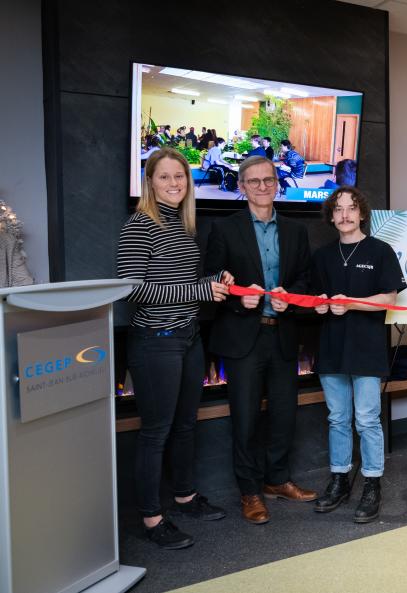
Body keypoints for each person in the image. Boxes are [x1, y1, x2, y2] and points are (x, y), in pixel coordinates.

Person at [116, 147, 231, 549]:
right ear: (150, 182)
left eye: (180, 177)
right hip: (155, 344)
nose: (173, 184)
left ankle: (184, 497)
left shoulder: (183, 225)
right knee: (156, 433)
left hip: (188, 338)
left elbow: (183, 281)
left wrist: (214, 278)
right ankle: (151, 518)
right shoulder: (140, 225)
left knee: (185, 426)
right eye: (164, 177)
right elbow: (132, 290)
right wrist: (199, 289)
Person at [205, 156, 318, 525]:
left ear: (277, 183)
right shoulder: (224, 229)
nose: (262, 187)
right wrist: (239, 299)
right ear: (241, 186)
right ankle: (250, 491)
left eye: (268, 180)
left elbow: (305, 280)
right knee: (246, 420)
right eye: (253, 181)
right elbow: (213, 278)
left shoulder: (296, 230)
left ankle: (277, 480)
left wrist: (292, 295)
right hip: (243, 338)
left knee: (285, 415)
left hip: (282, 335)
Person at [311, 186, 407, 523]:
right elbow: (312, 301)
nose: (345, 214)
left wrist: (347, 304)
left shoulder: (380, 251)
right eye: (338, 209)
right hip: (330, 348)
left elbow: (389, 299)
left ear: (362, 213)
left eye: (352, 208)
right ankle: (339, 479)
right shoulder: (322, 256)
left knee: (367, 420)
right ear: (331, 216)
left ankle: (371, 483)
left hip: (366, 348)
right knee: (337, 418)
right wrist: (322, 304)